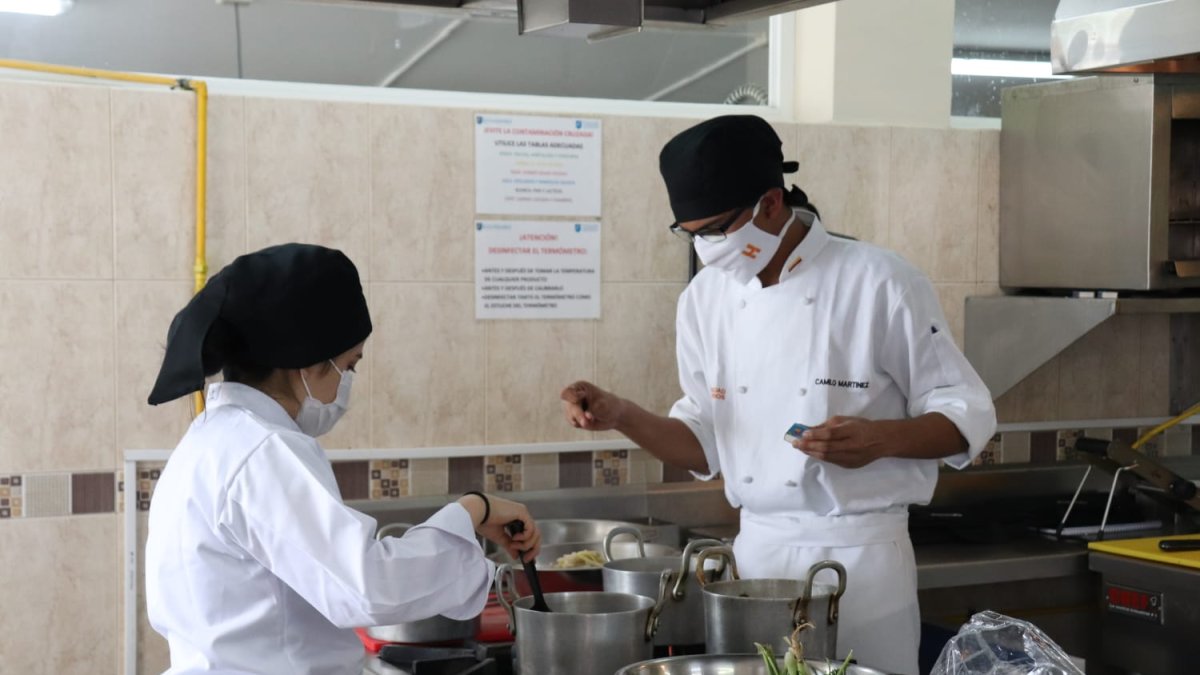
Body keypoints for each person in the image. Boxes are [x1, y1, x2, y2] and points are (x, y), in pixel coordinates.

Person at [560, 115, 995, 675]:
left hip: (859, 563)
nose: (706, 249)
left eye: (715, 231)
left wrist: (880, 440)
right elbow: (702, 442)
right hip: (757, 565)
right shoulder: (703, 300)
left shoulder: (879, 281)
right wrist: (620, 414)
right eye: (691, 234)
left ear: (770, 202)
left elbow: (966, 414)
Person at [144, 243, 541, 675]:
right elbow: (367, 586)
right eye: (349, 366)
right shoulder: (264, 451)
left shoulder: (210, 439)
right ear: (305, 363)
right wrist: (470, 510)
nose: (348, 383)